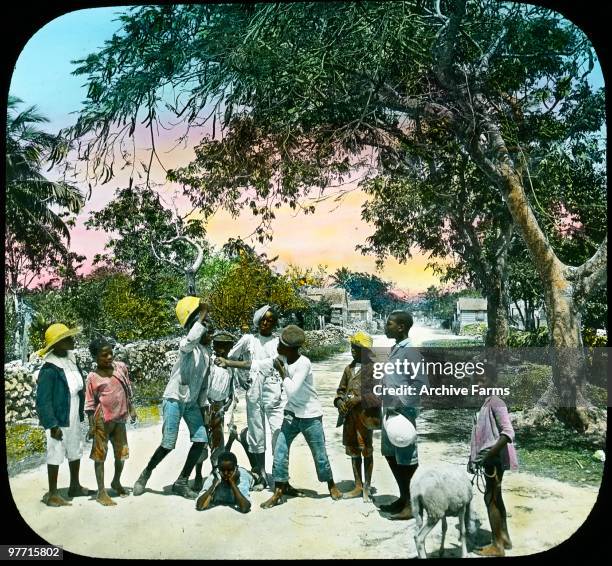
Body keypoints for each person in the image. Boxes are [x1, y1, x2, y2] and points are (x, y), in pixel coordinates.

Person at [218, 324, 343, 508]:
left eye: (282, 344)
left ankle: (331, 485)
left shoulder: (304, 363)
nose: (277, 346)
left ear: (291, 348)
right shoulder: (280, 358)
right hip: (292, 415)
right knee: (280, 452)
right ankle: (279, 490)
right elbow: (255, 365)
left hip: (310, 415)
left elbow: (291, 390)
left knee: (320, 454)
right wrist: (228, 362)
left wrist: (281, 370)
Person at [132, 297, 211, 499]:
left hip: (191, 403)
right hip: (174, 399)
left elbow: (203, 386)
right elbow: (190, 341)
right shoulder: (185, 345)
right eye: (203, 324)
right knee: (168, 443)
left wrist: (203, 409)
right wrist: (201, 316)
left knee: (201, 439)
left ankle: (182, 481)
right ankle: (145, 474)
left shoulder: (205, 353)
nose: (207, 328)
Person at [226, 305, 284, 491]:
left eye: (270, 320)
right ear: (258, 321)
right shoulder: (248, 340)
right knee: (257, 432)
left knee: (278, 432)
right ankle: (260, 474)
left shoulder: (278, 342)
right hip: (254, 389)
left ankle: (279, 475)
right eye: (263, 320)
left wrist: (247, 366)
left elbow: (277, 364)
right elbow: (230, 357)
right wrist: (240, 377)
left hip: (273, 389)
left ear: (274, 324)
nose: (266, 323)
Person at [35, 323, 92, 507]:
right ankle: (52, 493)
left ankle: (74, 486)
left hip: (73, 410)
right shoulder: (50, 368)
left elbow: (76, 387)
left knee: (75, 447)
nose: (72, 340)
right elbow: (43, 401)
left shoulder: (71, 359)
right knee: (56, 451)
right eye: (67, 338)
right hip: (58, 415)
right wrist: (52, 425)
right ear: (58, 344)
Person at [378, 310, 426, 520]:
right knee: (391, 455)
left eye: (389, 324)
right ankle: (403, 497)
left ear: (401, 327)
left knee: (406, 459)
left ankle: (412, 505)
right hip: (389, 412)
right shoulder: (396, 348)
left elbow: (421, 384)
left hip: (403, 414)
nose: (385, 326)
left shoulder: (411, 352)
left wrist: (401, 402)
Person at [469, 371, 518, 557]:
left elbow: (508, 432)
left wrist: (488, 455)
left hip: (495, 459)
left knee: (491, 499)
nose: (478, 385)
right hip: (488, 459)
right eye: (475, 382)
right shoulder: (483, 404)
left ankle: (497, 546)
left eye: (482, 381)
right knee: (496, 496)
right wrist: (472, 459)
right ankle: (503, 537)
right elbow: (478, 436)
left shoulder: (496, 402)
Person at [85, 337, 137, 506]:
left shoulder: (120, 368)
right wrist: (91, 425)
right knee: (100, 455)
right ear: (95, 357)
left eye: (110, 353)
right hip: (102, 421)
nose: (108, 357)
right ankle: (101, 492)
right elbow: (90, 404)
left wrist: (132, 408)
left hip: (120, 418)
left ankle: (116, 481)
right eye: (103, 355)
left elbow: (127, 389)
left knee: (121, 454)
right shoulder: (93, 377)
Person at [192, 331, 241, 491]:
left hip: (220, 407)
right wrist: (206, 403)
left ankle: (216, 472)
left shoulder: (230, 365)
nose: (220, 349)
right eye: (217, 345)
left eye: (224, 346)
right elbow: (203, 383)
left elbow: (231, 385)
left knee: (217, 441)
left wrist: (228, 402)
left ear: (229, 348)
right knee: (202, 441)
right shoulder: (209, 363)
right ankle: (198, 474)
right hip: (206, 405)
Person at [334, 331, 376, 502]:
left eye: (357, 348)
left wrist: (359, 399)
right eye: (352, 348)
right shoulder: (349, 369)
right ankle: (357, 485)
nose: (353, 351)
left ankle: (367, 486)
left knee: (366, 449)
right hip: (349, 418)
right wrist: (339, 402)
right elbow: (340, 391)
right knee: (353, 450)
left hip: (365, 418)